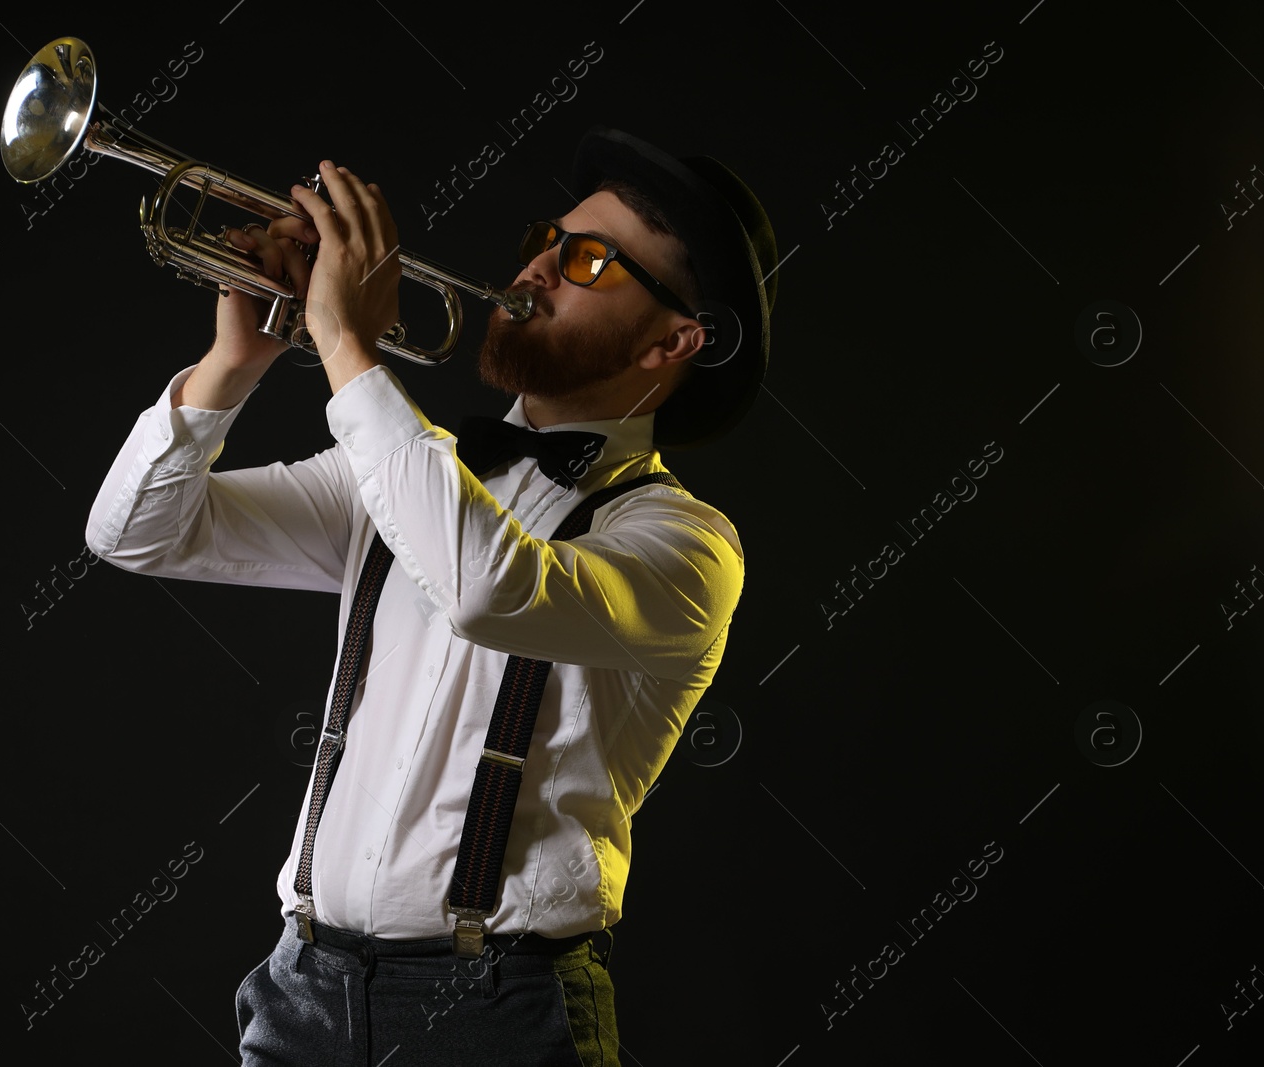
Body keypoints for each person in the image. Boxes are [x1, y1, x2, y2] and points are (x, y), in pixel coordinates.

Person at [84, 126, 778, 1066]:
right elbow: (136, 531)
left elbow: (487, 587)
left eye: (589, 259)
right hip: (301, 995)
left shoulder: (689, 547)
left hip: (501, 1011)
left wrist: (340, 340)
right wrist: (233, 364)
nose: (537, 269)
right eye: (548, 238)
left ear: (672, 340)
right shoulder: (405, 474)